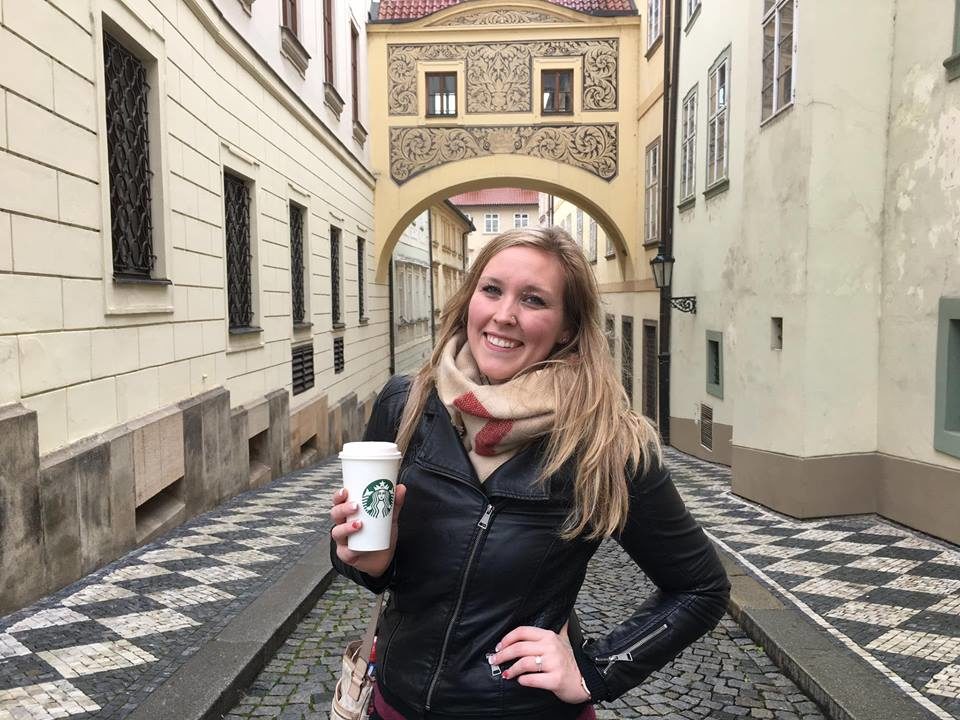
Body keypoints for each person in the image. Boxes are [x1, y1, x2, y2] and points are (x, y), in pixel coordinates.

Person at [330, 226, 730, 720]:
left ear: (566, 326)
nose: (504, 315)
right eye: (491, 290)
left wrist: (594, 669)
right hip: (395, 707)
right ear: (470, 298)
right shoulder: (406, 404)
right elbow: (360, 558)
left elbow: (701, 587)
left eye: (534, 300)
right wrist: (365, 559)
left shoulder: (605, 442)